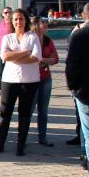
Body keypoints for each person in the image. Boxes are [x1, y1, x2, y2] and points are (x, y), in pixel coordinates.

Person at [0, 9, 41, 157]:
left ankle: (20, 145)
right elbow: (4, 56)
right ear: (12, 21)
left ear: (26, 21)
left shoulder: (33, 37)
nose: (18, 22)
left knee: (24, 114)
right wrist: (26, 52)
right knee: (5, 113)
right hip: (9, 81)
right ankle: (0, 144)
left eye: (21, 19)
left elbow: (36, 57)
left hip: (29, 81)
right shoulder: (7, 38)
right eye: (16, 19)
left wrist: (15, 56)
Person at [66, 4, 89, 177]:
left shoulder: (80, 35)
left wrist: (73, 88)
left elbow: (71, 66)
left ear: (83, 16)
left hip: (85, 93)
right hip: (84, 92)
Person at [30, 17, 59, 148]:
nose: (46, 24)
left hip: (45, 78)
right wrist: (45, 60)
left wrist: (41, 60)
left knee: (43, 110)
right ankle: (22, 138)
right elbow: (27, 58)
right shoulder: (29, 39)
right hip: (30, 79)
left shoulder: (48, 40)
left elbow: (56, 59)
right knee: (28, 110)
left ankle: (42, 138)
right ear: (35, 24)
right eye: (43, 22)